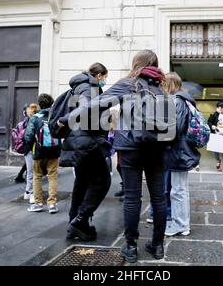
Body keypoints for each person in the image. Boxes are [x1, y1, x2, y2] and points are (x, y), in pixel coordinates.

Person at [59, 50, 171, 263]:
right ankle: (157, 246)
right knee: (158, 197)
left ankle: (130, 246)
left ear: (136, 64)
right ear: (155, 65)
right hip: (157, 148)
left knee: (132, 196)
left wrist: (65, 118)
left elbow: (95, 104)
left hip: (130, 147)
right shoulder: (161, 86)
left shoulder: (129, 83)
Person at [59, 63, 112, 241]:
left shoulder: (78, 87)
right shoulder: (91, 89)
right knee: (102, 181)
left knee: (82, 183)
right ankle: (80, 220)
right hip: (88, 142)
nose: (105, 81)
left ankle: (74, 223)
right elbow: (86, 111)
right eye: (105, 77)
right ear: (99, 76)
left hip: (78, 141)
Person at [163, 72, 200, 236]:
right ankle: (181, 222)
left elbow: (174, 129)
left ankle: (181, 225)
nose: (162, 87)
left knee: (178, 191)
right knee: (180, 189)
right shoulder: (184, 100)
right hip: (181, 150)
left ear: (169, 84)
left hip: (178, 151)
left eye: (164, 84)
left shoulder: (177, 101)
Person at [24, 94, 61, 213]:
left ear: (40, 104)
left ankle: (38, 203)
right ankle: (52, 204)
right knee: (52, 176)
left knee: (37, 176)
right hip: (54, 150)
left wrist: (32, 147)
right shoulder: (56, 116)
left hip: (39, 151)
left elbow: (28, 136)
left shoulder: (35, 118)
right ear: (52, 103)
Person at [22, 103, 40, 203]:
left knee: (30, 172)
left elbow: (26, 137)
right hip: (33, 149)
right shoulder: (36, 120)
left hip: (28, 149)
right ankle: (31, 192)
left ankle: (28, 192)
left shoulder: (26, 121)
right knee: (34, 172)